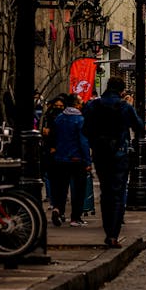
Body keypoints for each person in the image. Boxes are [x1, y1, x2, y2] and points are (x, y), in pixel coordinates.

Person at [83, 76, 143, 248]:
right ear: (122, 90)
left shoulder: (93, 105)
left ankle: (108, 228)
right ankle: (113, 234)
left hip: (100, 154)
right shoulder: (124, 107)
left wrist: (96, 141)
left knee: (105, 190)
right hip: (119, 153)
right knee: (117, 192)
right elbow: (139, 126)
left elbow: (85, 129)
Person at [50, 94, 91, 227]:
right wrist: (87, 161)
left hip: (60, 158)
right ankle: (75, 217)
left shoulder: (59, 118)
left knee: (61, 187)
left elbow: (53, 136)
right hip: (76, 158)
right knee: (78, 189)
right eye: (80, 102)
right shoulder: (80, 120)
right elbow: (83, 142)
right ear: (76, 105)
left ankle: (58, 209)